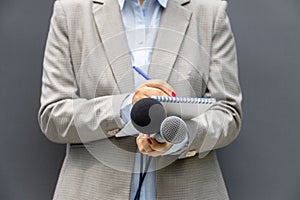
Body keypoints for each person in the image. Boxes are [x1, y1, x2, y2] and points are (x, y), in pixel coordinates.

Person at [38, 0, 242, 199]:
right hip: (93, 189)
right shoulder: (71, 10)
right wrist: (128, 108)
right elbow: (54, 116)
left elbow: (227, 113)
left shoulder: (210, 11)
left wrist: (177, 136)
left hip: (189, 188)